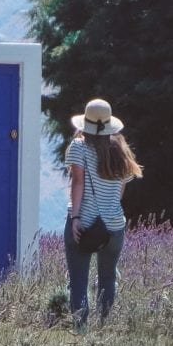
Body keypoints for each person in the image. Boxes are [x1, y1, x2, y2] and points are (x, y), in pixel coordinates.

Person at [65, 98, 142, 329]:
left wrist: (77, 218)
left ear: (85, 123)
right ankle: (104, 326)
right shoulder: (120, 150)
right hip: (114, 226)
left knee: (79, 280)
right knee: (108, 279)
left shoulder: (78, 147)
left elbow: (77, 183)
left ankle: (81, 329)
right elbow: (119, 191)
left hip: (85, 222)